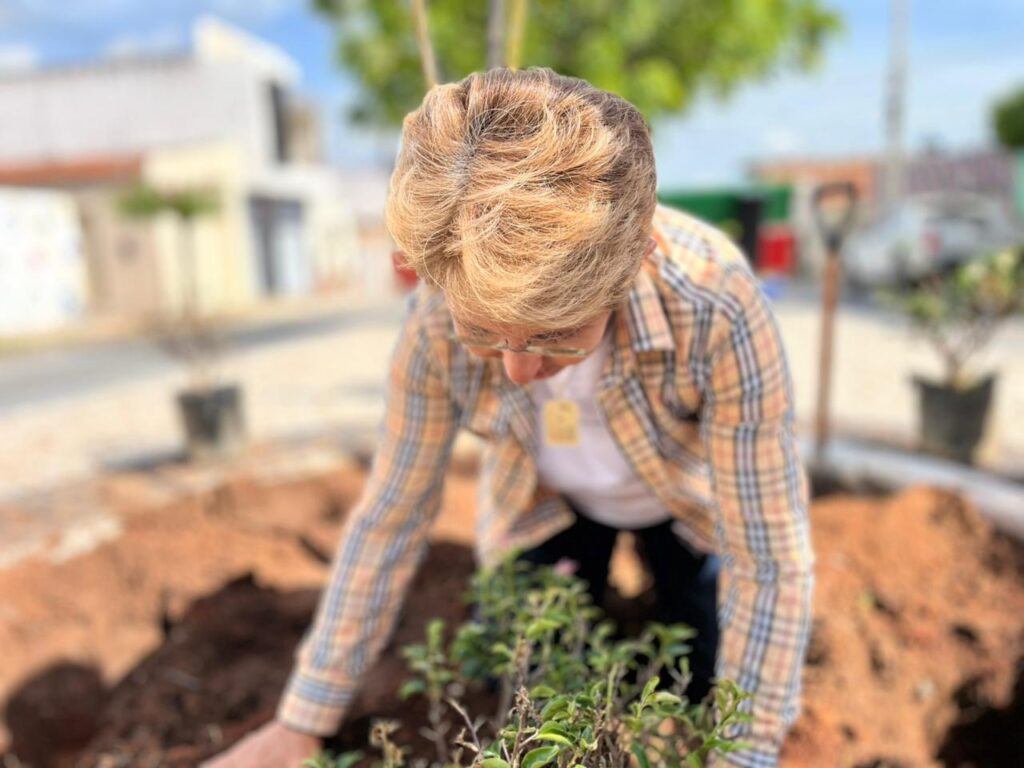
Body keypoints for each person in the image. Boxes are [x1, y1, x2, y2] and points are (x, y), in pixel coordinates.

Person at [203, 66, 814, 768]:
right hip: (545, 503)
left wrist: (745, 752)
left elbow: (768, 557)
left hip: (684, 501)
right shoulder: (435, 321)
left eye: (556, 337)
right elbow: (391, 517)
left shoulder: (716, 306)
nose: (518, 370)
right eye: (488, 335)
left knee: (703, 671)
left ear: (633, 264)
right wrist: (302, 721)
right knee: (517, 675)